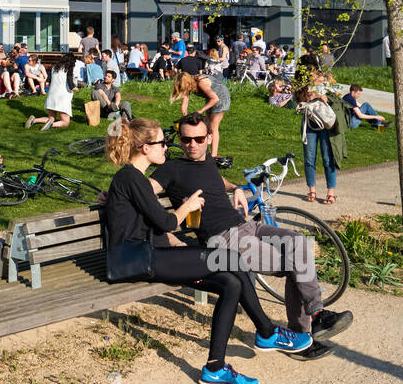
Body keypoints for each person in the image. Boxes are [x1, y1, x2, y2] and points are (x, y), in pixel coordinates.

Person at [102, 117, 314, 384]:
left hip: (147, 254)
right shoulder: (131, 178)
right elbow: (166, 222)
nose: (166, 148)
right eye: (162, 143)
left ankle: (215, 367)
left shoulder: (134, 180)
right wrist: (187, 206)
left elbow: (142, 217)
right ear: (145, 147)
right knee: (229, 258)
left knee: (230, 282)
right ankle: (267, 331)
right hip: (135, 260)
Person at [149, 112, 351, 347]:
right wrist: (114, 194)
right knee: (293, 264)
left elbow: (217, 180)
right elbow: (143, 188)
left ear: (210, 138)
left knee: (298, 242)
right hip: (224, 239)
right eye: (186, 140)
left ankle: (313, 321)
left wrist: (235, 187)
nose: (192, 145)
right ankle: (307, 328)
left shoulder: (207, 162)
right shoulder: (172, 168)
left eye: (199, 139)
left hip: (247, 226)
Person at [169, 67, 231, 166]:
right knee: (208, 127)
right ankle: (205, 153)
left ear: (188, 82)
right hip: (211, 98)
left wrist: (200, 111)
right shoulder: (188, 84)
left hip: (221, 97)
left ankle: (213, 156)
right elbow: (184, 103)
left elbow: (215, 99)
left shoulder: (201, 82)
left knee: (213, 127)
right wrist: (185, 118)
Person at [295, 87, 345, 204]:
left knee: (328, 159)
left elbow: (339, 100)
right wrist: (306, 97)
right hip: (309, 124)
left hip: (325, 124)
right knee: (309, 159)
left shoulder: (328, 83)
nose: (312, 74)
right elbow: (297, 99)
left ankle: (330, 193)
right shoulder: (304, 83)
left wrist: (327, 98)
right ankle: (312, 191)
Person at [26, 52, 75, 130]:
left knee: (51, 118)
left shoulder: (55, 67)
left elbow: (49, 79)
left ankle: (34, 120)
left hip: (51, 96)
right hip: (62, 97)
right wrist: (74, 88)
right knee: (65, 122)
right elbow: (70, 81)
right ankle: (50, 126)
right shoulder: (68, 68)